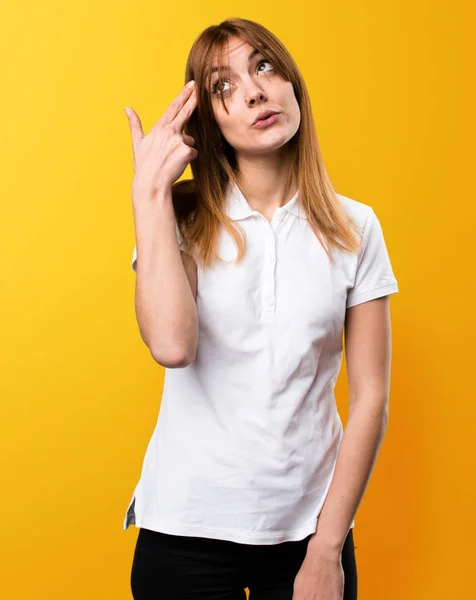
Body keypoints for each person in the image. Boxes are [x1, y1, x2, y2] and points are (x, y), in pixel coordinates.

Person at [123, 17, 398, 600]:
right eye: (223, 87)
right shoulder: (181, 216)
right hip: (185, 529)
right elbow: (172, 346)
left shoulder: (356, 227)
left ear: (292, 84)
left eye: (264, 67)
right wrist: (150, 197)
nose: (253, 91)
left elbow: (371, 395)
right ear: (211, 123)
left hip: (308, 534)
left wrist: (327, 549)